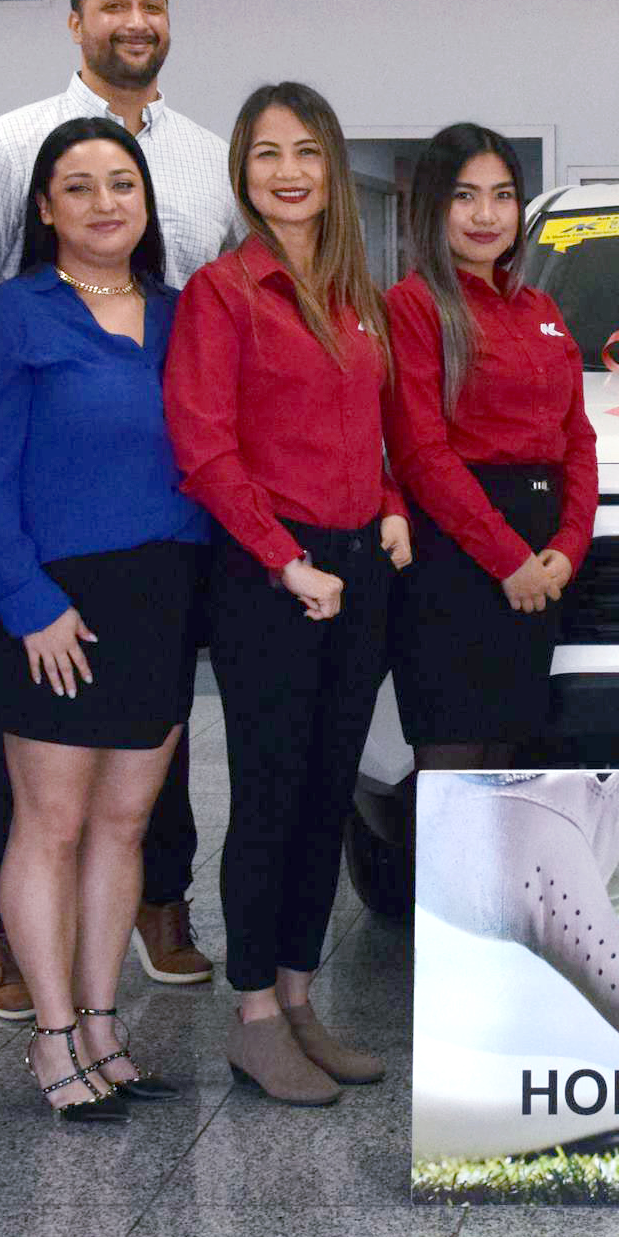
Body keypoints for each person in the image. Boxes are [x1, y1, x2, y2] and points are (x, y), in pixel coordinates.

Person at [0, 0, 231, 1009]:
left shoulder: (199, 176)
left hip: (165, 580)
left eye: (152, 1)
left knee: (127, 813)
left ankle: (109, 998)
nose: (135, 18)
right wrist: (21, 595)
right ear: (76, 21)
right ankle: (19, 957)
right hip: (53, 579)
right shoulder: (1, 162)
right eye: (113, 2)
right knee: (39, 810)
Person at [167, 83, 412, 1106]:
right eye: (265, 154)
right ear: (242, 170)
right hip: (273, 576)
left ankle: (302, 995)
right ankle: (254, 1014)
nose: (286, 172)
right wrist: (283, 558)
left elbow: (375, 425)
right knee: (268, 796)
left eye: (304, 152)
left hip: (359, 567)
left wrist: (393, 501)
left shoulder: (355, 293)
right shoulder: (224, 293)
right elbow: (203, 448)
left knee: (326, 793)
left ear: (330, 167)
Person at [384, 124, 598, 774]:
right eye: (465, 196)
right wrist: (509, 559)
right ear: (432, 207)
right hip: (457, 558)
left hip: (539, 561)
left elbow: (577, 439)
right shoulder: (413, 306)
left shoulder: (541, 307)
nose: (485, 215)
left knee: (515, 766)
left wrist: (569, 544)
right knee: (455, 767)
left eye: (503, 196)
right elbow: (420, 452)